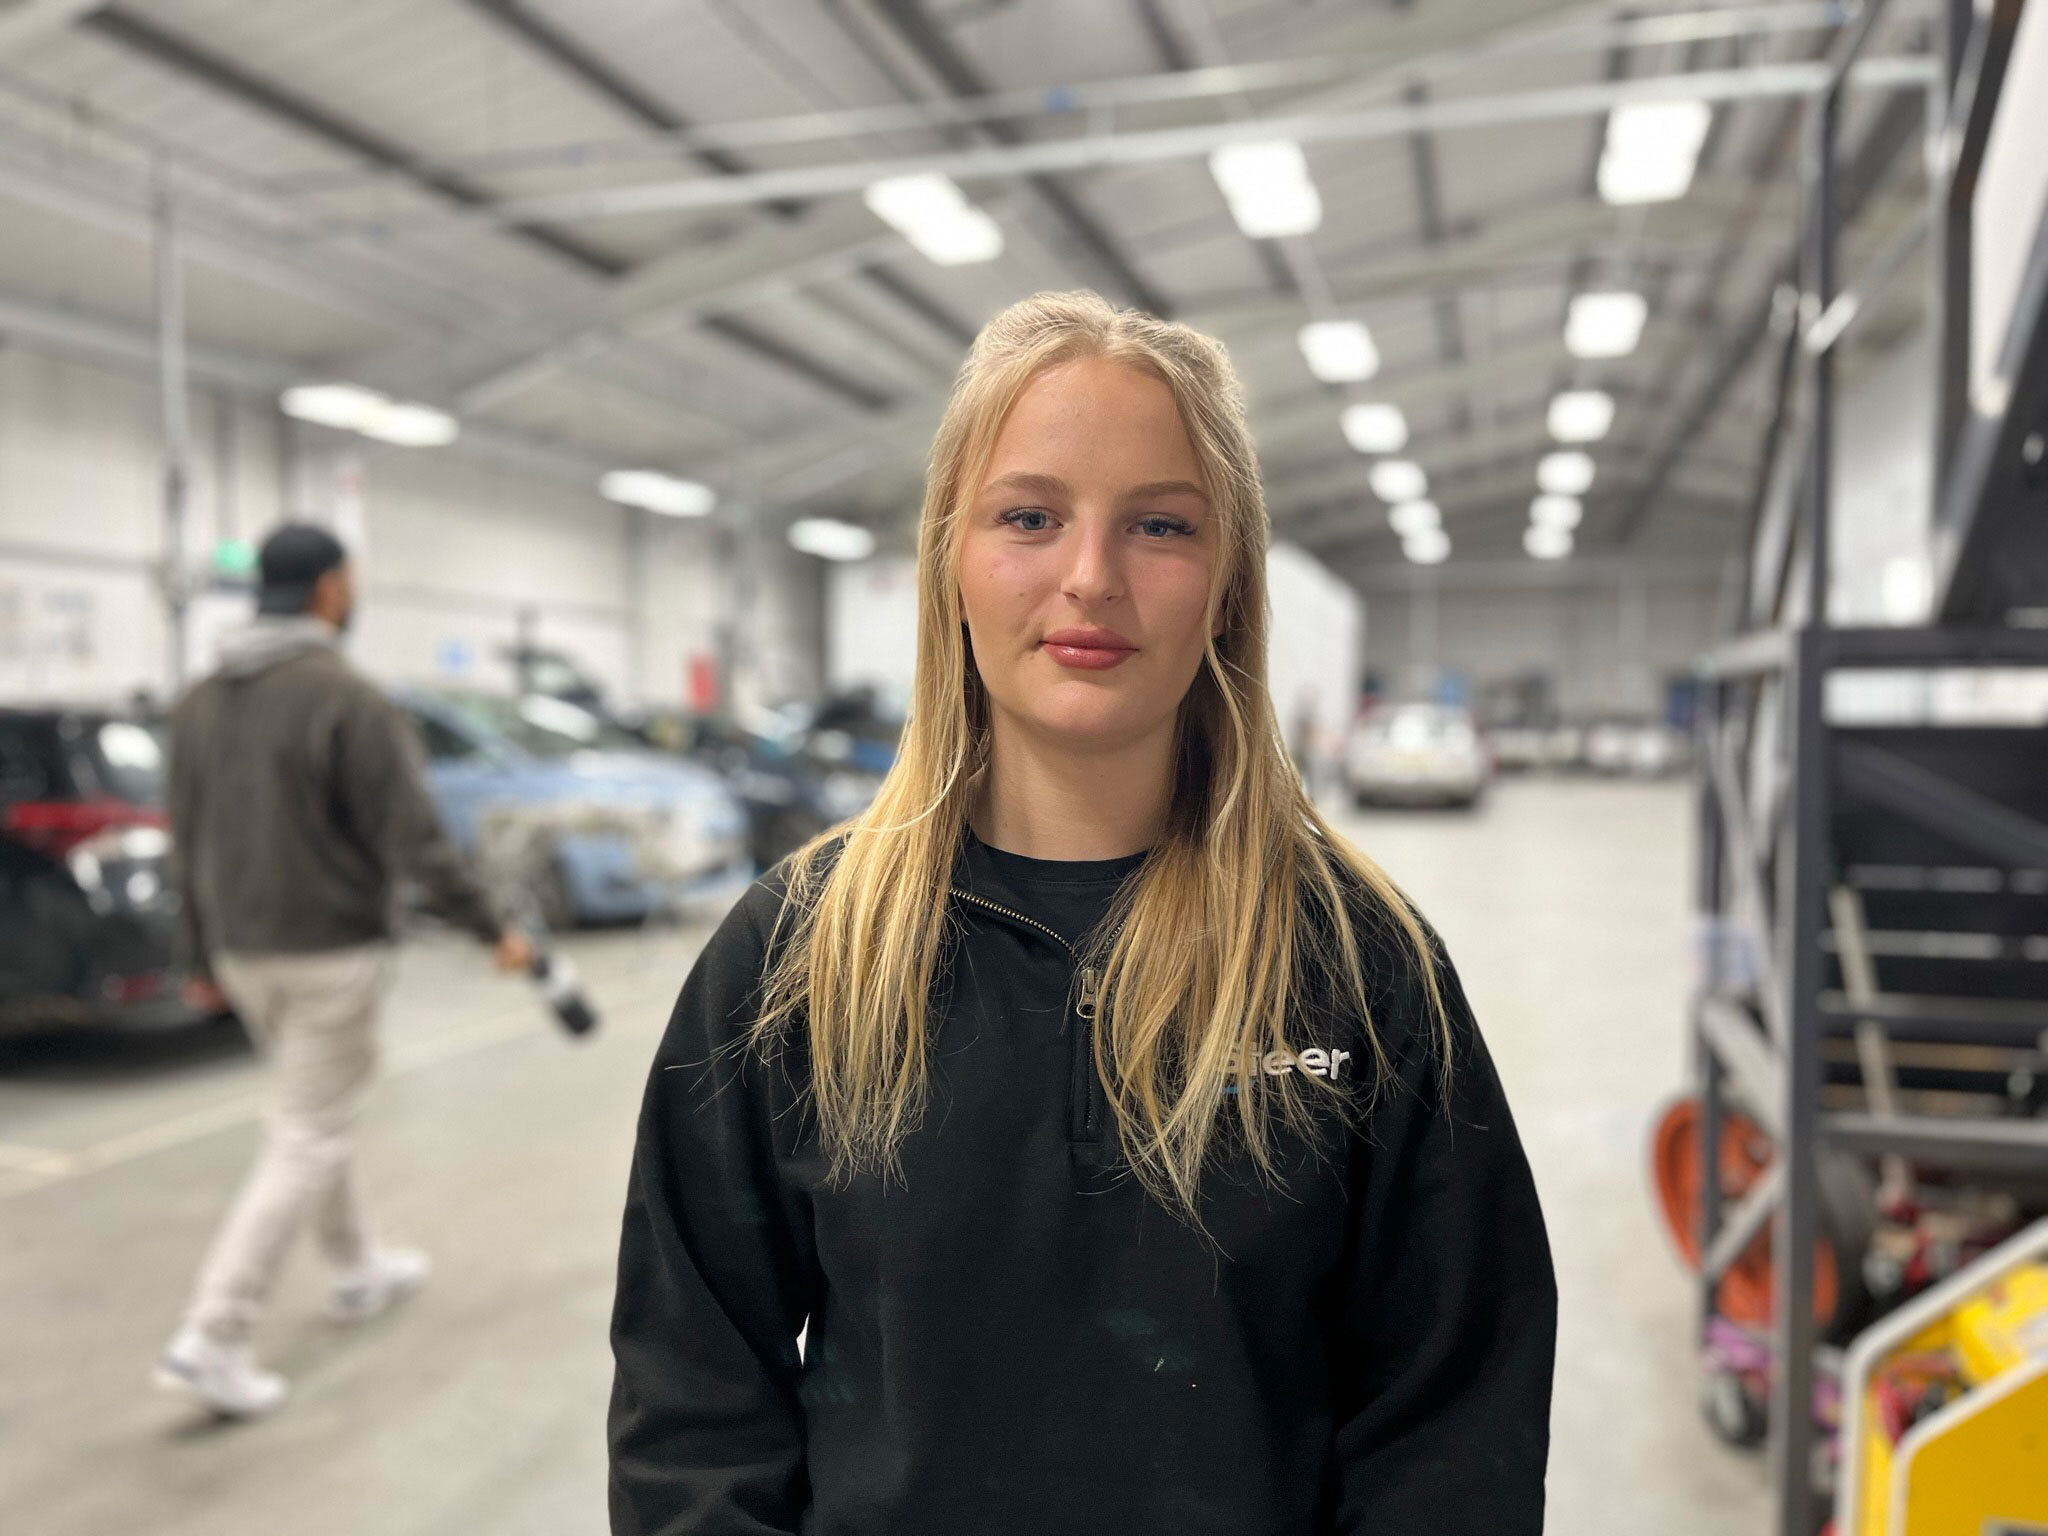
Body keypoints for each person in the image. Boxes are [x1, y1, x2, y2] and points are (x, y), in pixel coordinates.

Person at [609, 293, 1556, 1534]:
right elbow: (694, 1401)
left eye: (1159, 524)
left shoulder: (1360, 968)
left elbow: (1452, 1423)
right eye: (1029, 517)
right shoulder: (795, 956)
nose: (1090, 577)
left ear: (1225, 587)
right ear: (949, 562)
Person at [158, 522, 533, 1417]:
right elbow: (412, 838)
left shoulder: (200, 699)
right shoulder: (348, 696)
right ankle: (213, 1333)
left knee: (308, 1114)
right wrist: (490, 926)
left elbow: (186, 837)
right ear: (330, 589)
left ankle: (356, 1265)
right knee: (305, 1133)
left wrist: (196, 953)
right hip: (330, 949)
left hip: (243, 951)